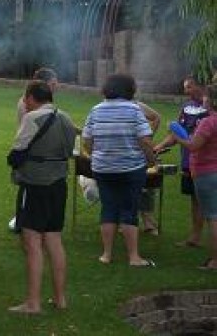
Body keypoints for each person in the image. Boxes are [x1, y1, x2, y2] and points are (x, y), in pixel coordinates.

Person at [7, 80, 77, 314]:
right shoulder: (66, 118)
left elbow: (17, 152)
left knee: (32, 242)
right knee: (54, 239)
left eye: (25, 98)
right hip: (59, 184)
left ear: (30, 97)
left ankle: (33, 303)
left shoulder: (31, 118)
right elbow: (71, 150)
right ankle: (60, 299)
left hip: (35, 184)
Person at [82, 73, 156, 267]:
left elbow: (87, 140)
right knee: (129, 210)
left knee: (108, 209)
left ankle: (106, 255)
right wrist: (151, 160)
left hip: (102, 168)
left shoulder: (95, 110)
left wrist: (98, 154)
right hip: (131, 168)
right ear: (130, 90)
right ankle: (134, 257)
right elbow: (145, 140)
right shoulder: (134, 110)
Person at [154, 75, 208, 247]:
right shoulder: (186, 107)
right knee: (195, 199)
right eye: (185, 87)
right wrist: (158, 147)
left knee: (208, 202)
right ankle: (195, 237)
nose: (186, 91)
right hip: (188, 161)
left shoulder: (211, 109)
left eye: (189, 87)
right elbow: (176, 134)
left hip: (207, 162)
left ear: (201, 86)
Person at [171, 84, 217, 269]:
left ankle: (215, 261)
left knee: (213, 217)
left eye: (206, 97)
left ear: (211, 100)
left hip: (207, 173)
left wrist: (178, 137)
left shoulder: (209, 122)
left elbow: (193, 146)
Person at [10, 67, 60, 231]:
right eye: (53, 83)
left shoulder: (36, 102)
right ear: (43, 84)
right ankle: (22, 222)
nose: (56, 87)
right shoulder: (28, 103)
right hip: (31, 151)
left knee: (27, 190)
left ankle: (24, 221)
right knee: (26, 189)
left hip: (32, 150)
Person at [136, 101, 161, 235]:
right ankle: (124, 221)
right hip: (121, 154)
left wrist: (148, 136)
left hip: (139, 152)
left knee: (147, 185)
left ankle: (147, 221)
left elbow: (156, 117)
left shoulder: (137, 105)